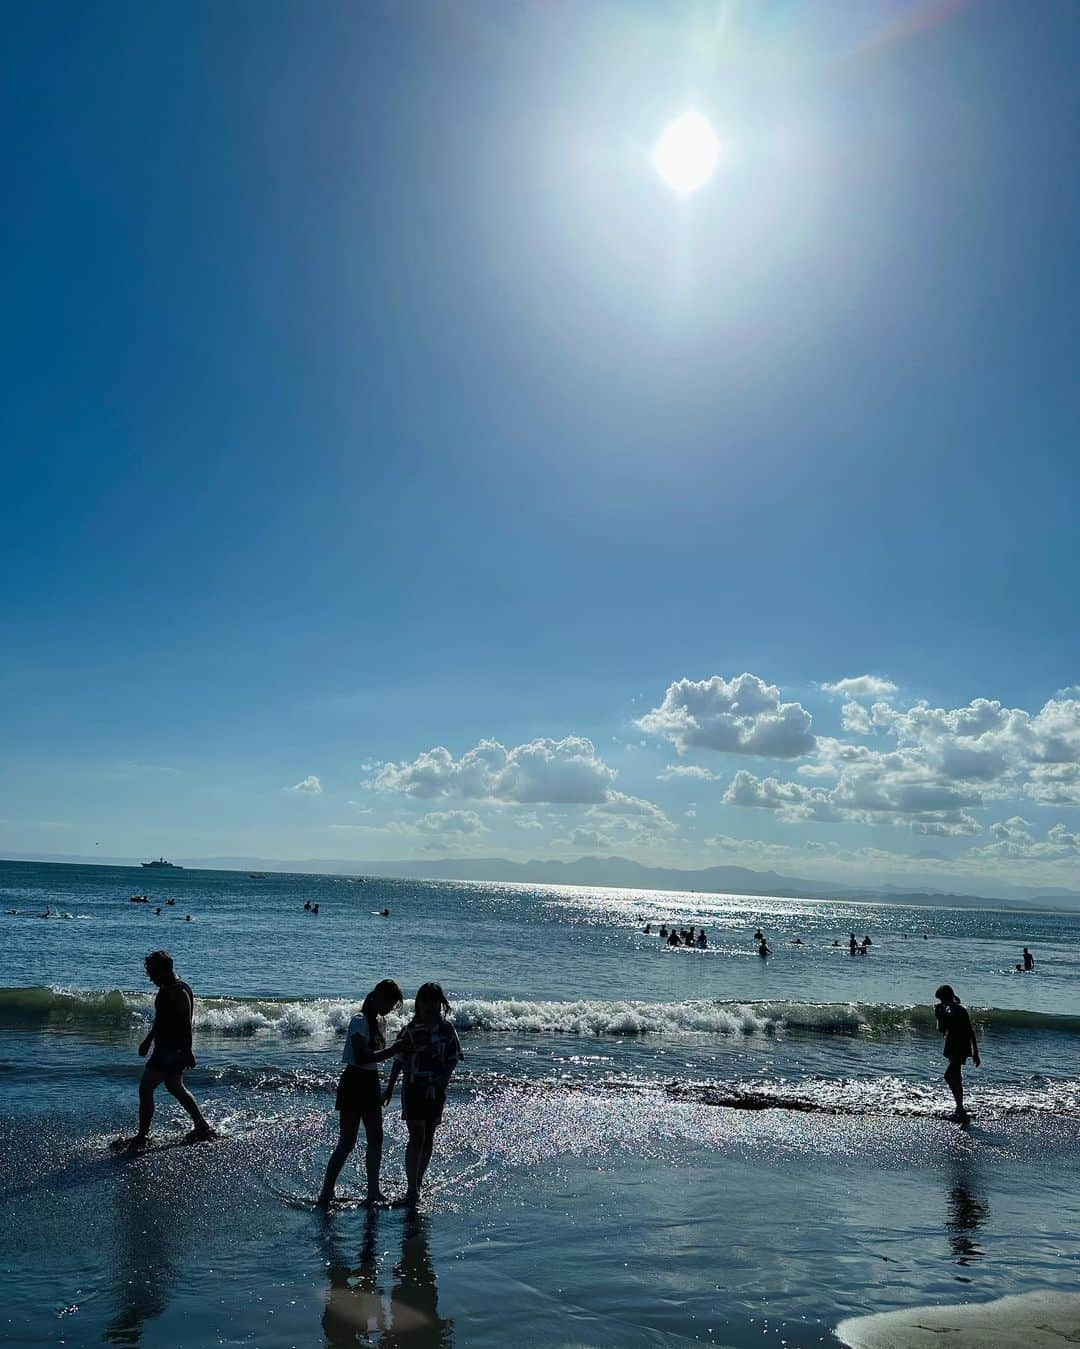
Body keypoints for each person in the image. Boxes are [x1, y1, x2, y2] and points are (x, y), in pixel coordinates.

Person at [317, 978, 404, 1210]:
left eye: (393, 1005)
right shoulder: (359, 1021)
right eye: (389, 1002)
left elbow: (373, 1058)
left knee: (376, 1138)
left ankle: (373, 1191)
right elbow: (362, 1056)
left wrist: (387, 1085)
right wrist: (394, 1050)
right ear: (377, 996)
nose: (389, 1008)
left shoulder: (378, 1022)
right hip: (355, 1080)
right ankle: (326, 1190)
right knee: (347, 1141)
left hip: (370, 1080)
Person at [123, 950, 212, 1150]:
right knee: (175, 1087)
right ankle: (202, 1125)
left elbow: (186, 1024)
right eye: (149, 973)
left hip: (171, 1050)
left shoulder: (178, 991)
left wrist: (188, 1051)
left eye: (153, 973)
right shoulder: (166, 988)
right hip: (167, 1047)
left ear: (166, 969)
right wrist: (147, 1040)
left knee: (146, 1088)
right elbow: (161, 1018)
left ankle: (142, 1136)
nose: (151, 977)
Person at [384, 983, 463, 1208]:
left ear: (441, 1004)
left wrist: (442, 1081)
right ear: (418, 1003)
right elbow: (398, 1061)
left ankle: (418, 1180)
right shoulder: (410, 1029)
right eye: (424, 1000)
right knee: (416, 1136)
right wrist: (389, 1088)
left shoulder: (447, 1030)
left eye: (433, 1001)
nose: (429, 1005)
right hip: (413, 1088)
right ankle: (412, 1188)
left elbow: (453, 1058)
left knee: (428, 1137)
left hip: (436, 1090)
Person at [934, 984, 980, 1122]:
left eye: (941, 999)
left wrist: (938, 1016)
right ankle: (960, 1109)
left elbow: (942, 1030)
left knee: (949, 1076)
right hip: (960, 1045)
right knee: (956, 1077)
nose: (941, 1002)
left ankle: (960, 1108)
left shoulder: (950, 1011)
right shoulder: (960, 1009)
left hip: (956, 1046)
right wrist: (975, 1052)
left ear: (944, 998)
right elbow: (970, 1031)